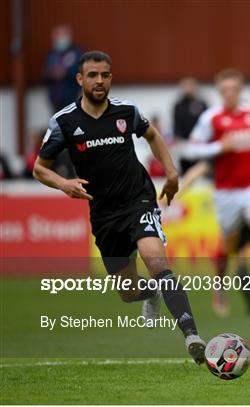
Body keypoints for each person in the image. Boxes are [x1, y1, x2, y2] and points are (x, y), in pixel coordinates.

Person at [33, 51, 206, 364]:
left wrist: (171, 172)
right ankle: (151, 294)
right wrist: (63, 183)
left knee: (157, 262)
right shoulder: (64, 122)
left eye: (105, 75)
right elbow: (39, 168)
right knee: (128, 292)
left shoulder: (127, 111)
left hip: (137, 199)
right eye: (93, 75)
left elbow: (152, 135)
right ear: (80, 79)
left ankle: (192, 335)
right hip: (103, 214)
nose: (100, 81)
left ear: (110, 78)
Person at [185, 68, 250, 316]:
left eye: (234, 89)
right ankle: (219, 287)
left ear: (240, 90)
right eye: (225, 90)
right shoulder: (210, 118)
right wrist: (218, 147)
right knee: (228, 245)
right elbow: (191, 149)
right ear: (219, 91)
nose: (230, 94)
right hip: (226, 192)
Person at [43, 25, 84, 113]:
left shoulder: (77, 53)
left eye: (61, 35)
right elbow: (44, 74)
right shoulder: (52, 55)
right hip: (55, 98)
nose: (58, 38)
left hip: (72, 96)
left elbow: (81, 72)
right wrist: (52, 73)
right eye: (56, 36)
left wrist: (65, 73)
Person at [172, 78, 208, 174]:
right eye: (186, 86)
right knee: (175, 155)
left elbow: (207, 124)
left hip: (200, 141)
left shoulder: (202, 104)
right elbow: (176, 124)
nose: (188, 89)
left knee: (203, 161)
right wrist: (177, 139)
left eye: (190, 86)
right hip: (184, 141)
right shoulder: (178, 105)